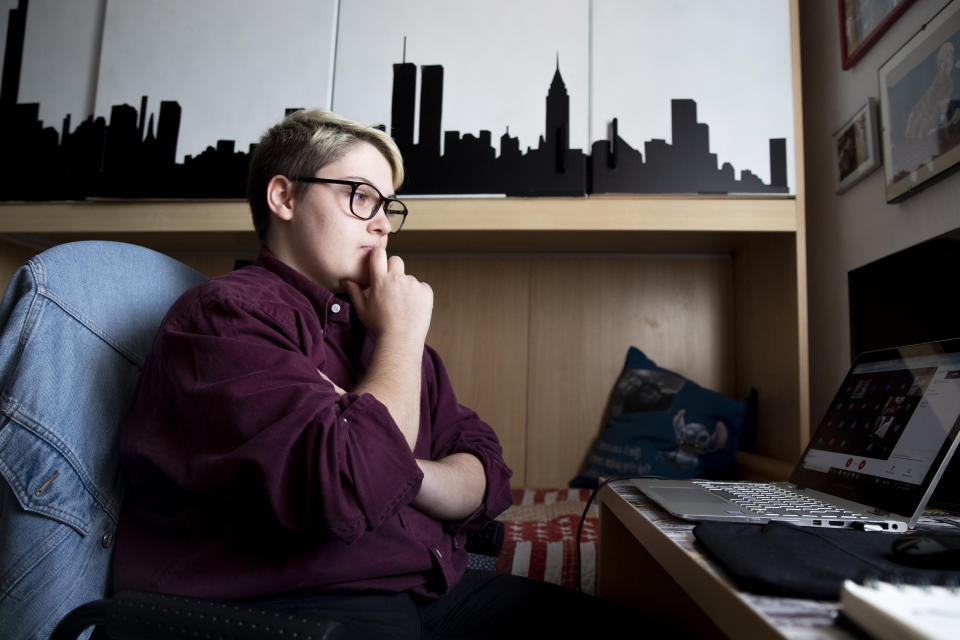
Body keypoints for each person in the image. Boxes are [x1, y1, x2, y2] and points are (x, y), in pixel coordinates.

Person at [113, 109, 648, 638]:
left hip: (421, 593)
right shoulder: (226, 316)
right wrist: (401, 343)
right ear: (284, 197)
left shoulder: (373, 332)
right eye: (360, 196)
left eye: (387, 206)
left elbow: (486, 469)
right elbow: (349, 484)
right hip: (289, 607)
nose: (380, 223)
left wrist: (399, 467)